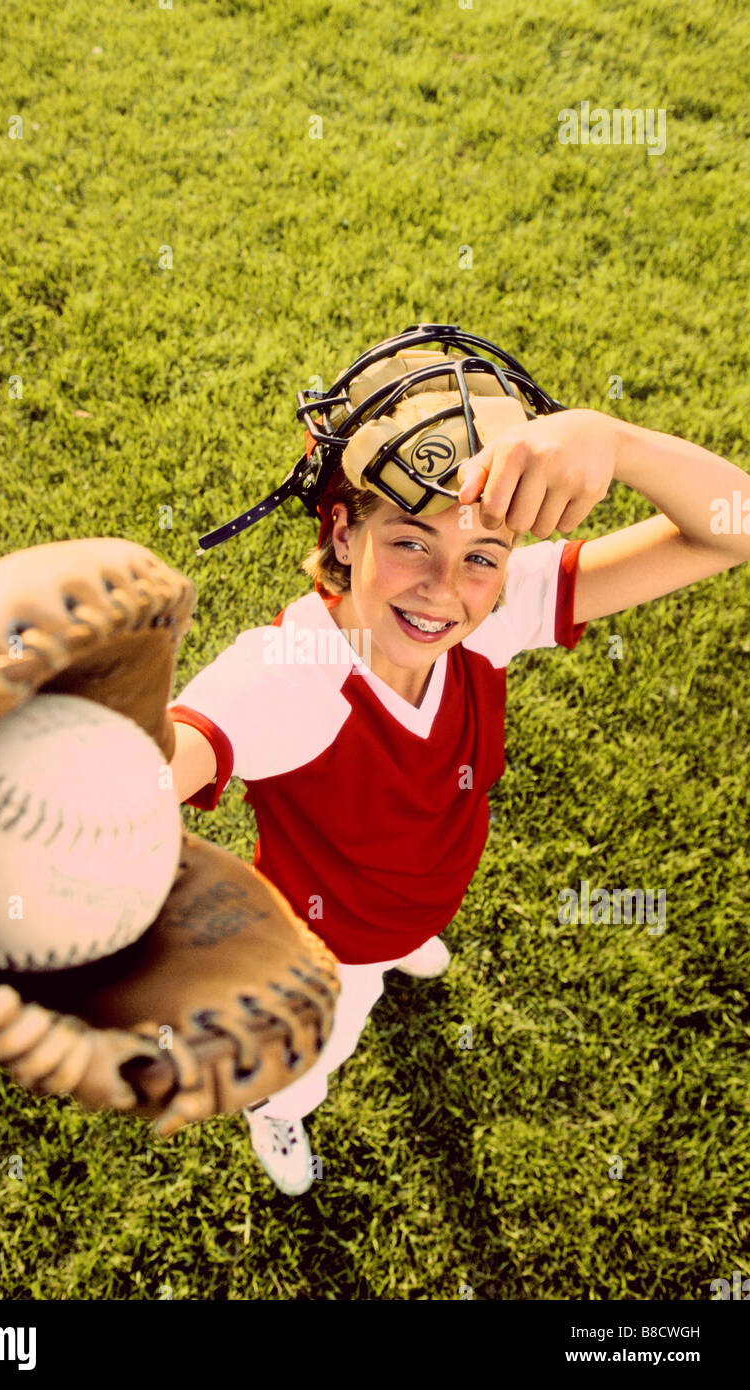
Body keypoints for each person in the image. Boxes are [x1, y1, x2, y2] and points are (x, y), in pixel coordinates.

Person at [165, 338, 750, 1197]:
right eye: (409, 541)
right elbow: (156, 770)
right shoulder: (284, 675)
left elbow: (730, 528)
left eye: (480, 554)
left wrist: (613, 440)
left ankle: (405, 944)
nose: (445, 588)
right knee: (317, 1048)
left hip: (411, 900)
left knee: (406, 933)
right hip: (326, 949)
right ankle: (279, 1106)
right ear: (341, 526)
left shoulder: (498, 610)